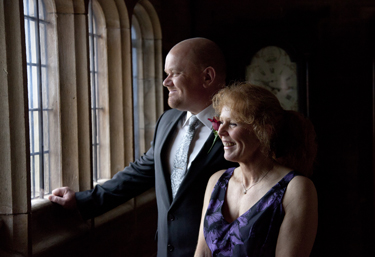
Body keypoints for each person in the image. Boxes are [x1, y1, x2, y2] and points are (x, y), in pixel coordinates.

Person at [48, 37, 236, 257]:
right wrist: (81, 201)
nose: (166, 82)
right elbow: (141, 172)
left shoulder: (239, 128)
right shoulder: (167, 121)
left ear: (207, 76)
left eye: (175, 73)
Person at [194, 83, 318, 257]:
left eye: (233, 124)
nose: (220, 131)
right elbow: (202, 253)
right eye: (220, 122)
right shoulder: (216, 181)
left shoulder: (296, 188)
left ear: (264, 132)